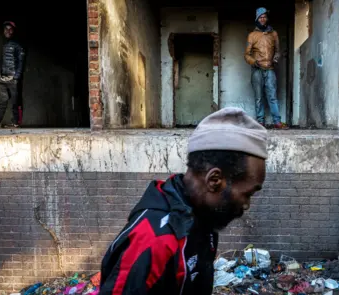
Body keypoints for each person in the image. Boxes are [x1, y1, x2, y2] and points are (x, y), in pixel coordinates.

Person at [99, 107, 268, 295]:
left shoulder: (203, 219)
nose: (246, 205)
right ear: (214, 180)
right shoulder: (153, 242)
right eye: (247, 194)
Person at [245, 7, 288, 130]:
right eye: (260, 17)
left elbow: (278, 52)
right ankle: (260, 122)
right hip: (257, 70)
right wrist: (254, 62)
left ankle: (277, 122)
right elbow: (246, 55)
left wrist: (276, 58)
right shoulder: (252, 35)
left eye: (264, 17)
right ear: (257, 19)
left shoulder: (274, 34)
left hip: (270, 69)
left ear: (267, 18)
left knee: (272, 96)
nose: (263, 19)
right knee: (259, 97)